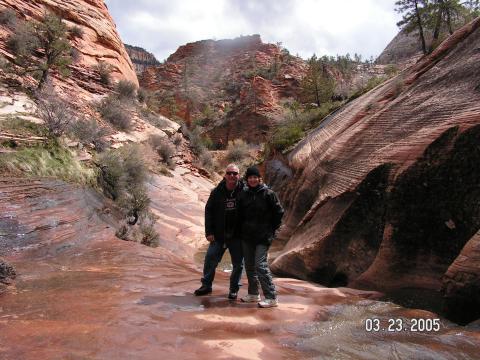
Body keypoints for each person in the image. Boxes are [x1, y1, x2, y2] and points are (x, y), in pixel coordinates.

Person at [194, 163, 244, 299]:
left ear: (239, 175)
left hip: (237, 235)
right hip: (219, 234)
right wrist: (208, 232)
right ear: (225, 175)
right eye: (229, 173)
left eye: (235, 173)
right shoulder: (217, 192)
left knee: (238, 264)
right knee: (210, 258)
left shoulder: (244, 190)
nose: (232, 176)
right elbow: (208, 211)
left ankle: (234, 289)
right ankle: (206, 285)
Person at [237, 166, 284, 308]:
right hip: (247, 236)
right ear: (247, 179)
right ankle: (253, 294)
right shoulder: (244, 194)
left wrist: (272, 230)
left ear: (259, 178)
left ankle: (271, 297)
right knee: (249, 266)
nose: (252, 179)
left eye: (254, 177)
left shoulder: (268, 193)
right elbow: (240, 214)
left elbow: (279, 212)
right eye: (250, 177)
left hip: (263, 236)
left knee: (260, 265)